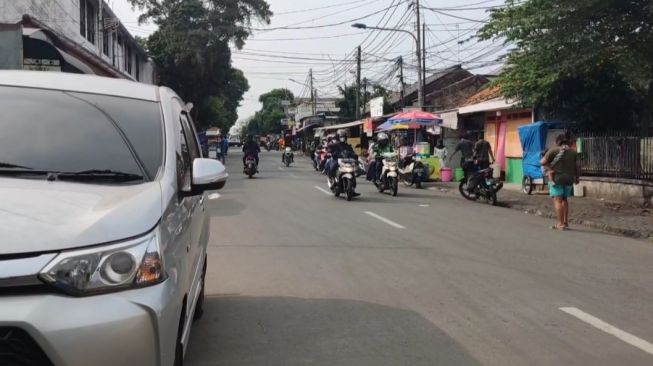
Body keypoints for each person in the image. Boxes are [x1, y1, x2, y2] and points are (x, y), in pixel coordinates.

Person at [541, 133, 579, 231]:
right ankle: (565, 222)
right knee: (565, 199)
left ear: (557, 141)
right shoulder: (573, 152)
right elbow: (577, 166)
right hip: (569, 179)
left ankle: (560, 224)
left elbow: (542, 162)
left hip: (556, 179)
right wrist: (577, 177)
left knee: (558, 200)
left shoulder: (553, 150)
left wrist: (549, 169)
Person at [326, 130, 360, 196]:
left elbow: (352, 152)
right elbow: (330, 149)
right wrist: (331, 153)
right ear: (338, 137)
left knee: (353, 170)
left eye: (344, 137)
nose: (343, 138)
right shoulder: (335, 145)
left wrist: (354, 155)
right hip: (338, 160)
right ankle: (332, 179)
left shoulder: (348, 146)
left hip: (347, 160)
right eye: (341, 137)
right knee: (333, 166)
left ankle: (352, 189)